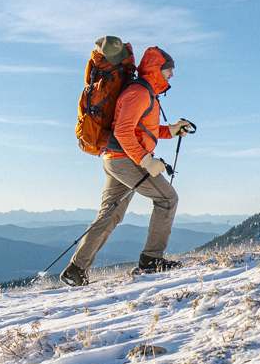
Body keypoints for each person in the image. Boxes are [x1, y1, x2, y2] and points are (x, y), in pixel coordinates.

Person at [60, 44, 195, 285]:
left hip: (117, 159)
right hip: (126, 160)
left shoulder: (147, 93)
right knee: (167, 199)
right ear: (156, 69)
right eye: (169, 69)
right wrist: (145, 160)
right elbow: (123, 131)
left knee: (110, 214)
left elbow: (143, 130)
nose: (172, 74)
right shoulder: (139, 93)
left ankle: (75, 269)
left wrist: (172, 130)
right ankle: (151, 260)